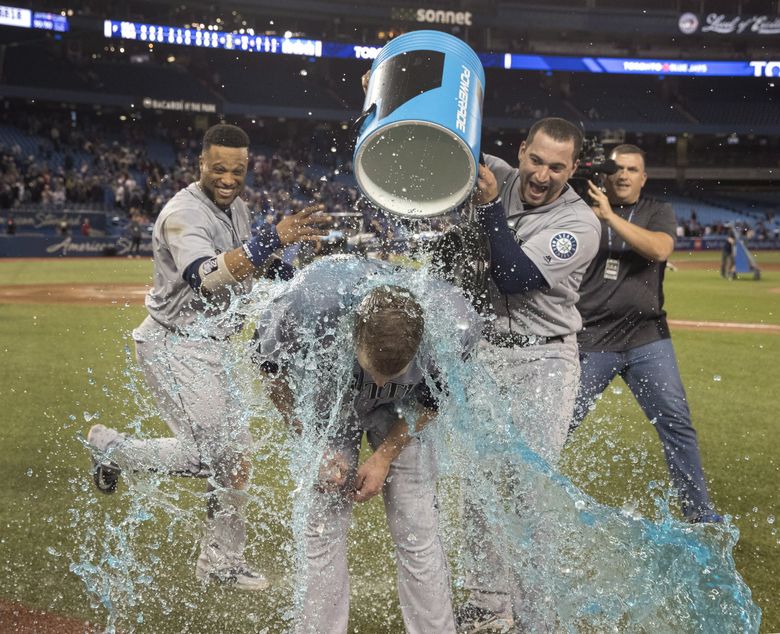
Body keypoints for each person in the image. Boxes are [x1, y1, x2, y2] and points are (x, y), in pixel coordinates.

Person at [85, 123, 329, 590]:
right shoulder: (183, 214)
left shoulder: (236, 207)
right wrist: (270, 239)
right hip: (174, 346)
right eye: (219, 167)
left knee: (235, 457)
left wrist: (296, 265)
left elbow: (253, 263)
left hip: (211, 349)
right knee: (208, 457)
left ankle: (220, 563)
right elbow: (206, 277)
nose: (229, 177)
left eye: (237, 169)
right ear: (201, 164)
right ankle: (112, 450)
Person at [255, 256, 481, 634]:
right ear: (353, 336)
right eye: (371, 371)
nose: (376, 386)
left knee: (417, 528)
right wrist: (314, 446)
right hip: (331, 398)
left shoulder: (455, 325)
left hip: (403, 409)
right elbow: (269, 369)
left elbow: (436, 399)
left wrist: (383, 457)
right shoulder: (306, 302)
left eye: (390, 375)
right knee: (322, 526)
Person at [456, 117, 602, 633]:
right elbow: (441, 141)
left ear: (574, 168)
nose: (541, 175)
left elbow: (516, 279)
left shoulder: (581, 223)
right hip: (487, 356)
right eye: (536, 160)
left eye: (556, 167)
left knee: (527, 491)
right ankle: (487, 604)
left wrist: (491, 208)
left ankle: (538, 619)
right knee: (480, 483)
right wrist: (389, 103)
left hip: (545, 360)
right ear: (521, 150)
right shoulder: (494, 171)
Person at [569, 143, 721, 524]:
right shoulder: (579, 210)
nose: (623, 175)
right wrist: (596, 213)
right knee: (558, 423)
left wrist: (609, 216)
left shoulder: (657, 211)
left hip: (647, 338)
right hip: (591, 338)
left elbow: (660, 248)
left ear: (643, 176)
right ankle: (520, 498)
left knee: (676, 425)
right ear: (605, 173)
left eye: (632, 169)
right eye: (617, 168)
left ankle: (700, 515)